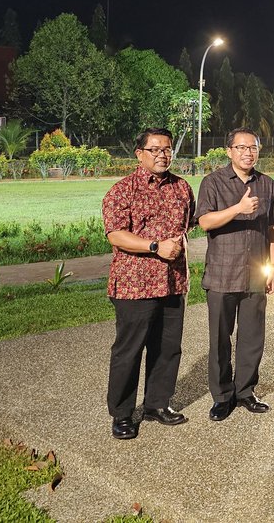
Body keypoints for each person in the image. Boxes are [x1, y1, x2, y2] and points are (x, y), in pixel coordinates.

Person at [103, 127, 194, 440]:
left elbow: (192, 223)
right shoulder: (122, 190)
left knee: (167, 348)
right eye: (154, 149)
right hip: (134, 284)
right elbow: (115, 234)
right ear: (139, 153)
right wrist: (155, 246)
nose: (162, 155)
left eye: (166, 149)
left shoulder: (182, 187)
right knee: (129, 350)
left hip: (172, 282)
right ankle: (122, 413)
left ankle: (157, 403)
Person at [195, 128, 274, 422]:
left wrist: (273, 266)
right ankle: (222, 396)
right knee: (220, 339)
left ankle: (245, 391)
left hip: (255, 274)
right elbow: (206, 222)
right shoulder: (214, 183)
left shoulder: (267, 184)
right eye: (241, 147)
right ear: (229, 150)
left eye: (253, 147)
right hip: (222, 273)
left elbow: (272, 229)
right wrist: (239, 208)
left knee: (252, 337)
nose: (248, 152)